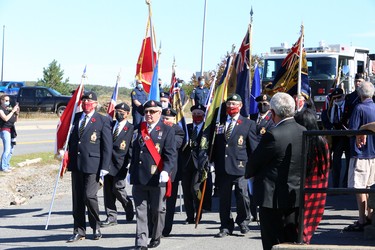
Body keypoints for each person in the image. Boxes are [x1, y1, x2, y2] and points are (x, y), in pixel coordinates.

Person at [245, 92, 306, 250]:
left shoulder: (273, 135)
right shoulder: (303, 130)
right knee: (292, 241)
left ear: (272, 113)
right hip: (296, 195)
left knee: (273, 242)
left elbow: (254, 163)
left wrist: (249, 174)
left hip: (272, 198)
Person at [207, 94, 258, 238]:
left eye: (234, 104)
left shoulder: (248, 124)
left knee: (242, 195)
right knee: (224, 199)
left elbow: (253, 147)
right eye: (229, 104)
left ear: (241, 106)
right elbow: (214, 145)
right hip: (222, 167)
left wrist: (254, 167)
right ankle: (225, 226)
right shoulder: (219, 123)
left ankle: (243, 221)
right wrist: (210, 161)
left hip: (241, 166)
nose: (231, 107)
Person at [66, 91, 112, 243]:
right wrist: (63, 151)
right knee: (78, 199)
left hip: (94, 165)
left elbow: (107, 146)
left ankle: (96, 225)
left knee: (89, 196)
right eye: (84, 101)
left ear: (95, 104)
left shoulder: (102, 120)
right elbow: (71, 139)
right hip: (76, 164)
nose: (86, 104)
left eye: (89, 102)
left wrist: (105, 166)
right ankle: (79, 230)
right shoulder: (76, 118)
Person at [129, 100, 176, 249]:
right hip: (139, 177)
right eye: (146, 111)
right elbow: (134, 152)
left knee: (157, 210)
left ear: (159, 113)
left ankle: (156, 235)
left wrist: (166, 171)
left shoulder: (167, 130)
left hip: (157, 176)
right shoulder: (138, 129)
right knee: (141, 212)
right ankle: (141, 242)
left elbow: (171, 154)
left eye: (152, 111)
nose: (148, 114)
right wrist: (130, 170)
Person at [294, 109, 330, 244]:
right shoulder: (323, 142)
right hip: (319, 188)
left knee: (299, 227)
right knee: (308, 227)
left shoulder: (301, 142)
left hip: (304, 188)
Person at [344, 81, 375, 232]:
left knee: (359, 188)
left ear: (359, 94)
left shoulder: (359, 108)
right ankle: (368, 215)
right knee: (368, 187)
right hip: (373, 153)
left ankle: (362, 219)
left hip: (361, 153)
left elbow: (352, 131)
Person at [101, 102, 135, 228]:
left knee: (118, 188)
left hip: (121, 163)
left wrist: (130, 162)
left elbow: (131, 147)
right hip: (107, 163)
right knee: (108, 192)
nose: (119, 114)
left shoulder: (131, 128)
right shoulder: (110, 125)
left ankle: (128, 205)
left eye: (122, 112)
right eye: (117, 112)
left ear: (127, 114)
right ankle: (111, 217)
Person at [180, 104, 212, 225]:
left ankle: (198, 213)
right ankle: (189, 217)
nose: (197, 116)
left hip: (200, 164)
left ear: (204, 116)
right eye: (194, 114)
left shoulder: (207, 129)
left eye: (199, 114)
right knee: (186, 191)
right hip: (186, 164)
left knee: (195, 189)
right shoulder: (185, 128)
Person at [249, 94, 275, 222]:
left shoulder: (272, 120)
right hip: (252, 157)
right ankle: (253, 213)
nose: (262, 106)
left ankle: (263, 211)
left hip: (264, 157)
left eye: (265, 104)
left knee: (264, 185)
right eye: (260, 104)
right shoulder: (252, 118)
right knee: (251, 186)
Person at [161, 107, 185, 237]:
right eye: (163, 118)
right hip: (156, 170)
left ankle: (166, 228)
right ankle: (153, 227)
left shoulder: (178, 131)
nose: (165, 120)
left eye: (168, 119)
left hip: (171, 172)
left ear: (174, 119)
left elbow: (172, 146)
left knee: (169, 203)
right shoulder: (156, 128)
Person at [321, 88, 350, 187]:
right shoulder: (330, 108)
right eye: (335, 98)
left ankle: (346, 185)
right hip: (337, 138)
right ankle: (335, 186)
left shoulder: (349, 106)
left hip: (348, 137)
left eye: (339, 97)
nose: (337, 100)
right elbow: (325, 118)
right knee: (336, 162)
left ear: (343, 96)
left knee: (349, 162)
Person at [0, 95, 19, 172]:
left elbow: (16, 120)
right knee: (7, 149)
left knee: (11, 149)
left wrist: (17, 113)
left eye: (8, 100)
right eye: (6, 100)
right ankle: (3, 167)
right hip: (4, 130)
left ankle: (7, 164)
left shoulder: (8, 108)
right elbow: (5, 118)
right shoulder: (1, 109)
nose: (7, 102)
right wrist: (13, 111)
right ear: (1, 100)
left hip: (12, 130)